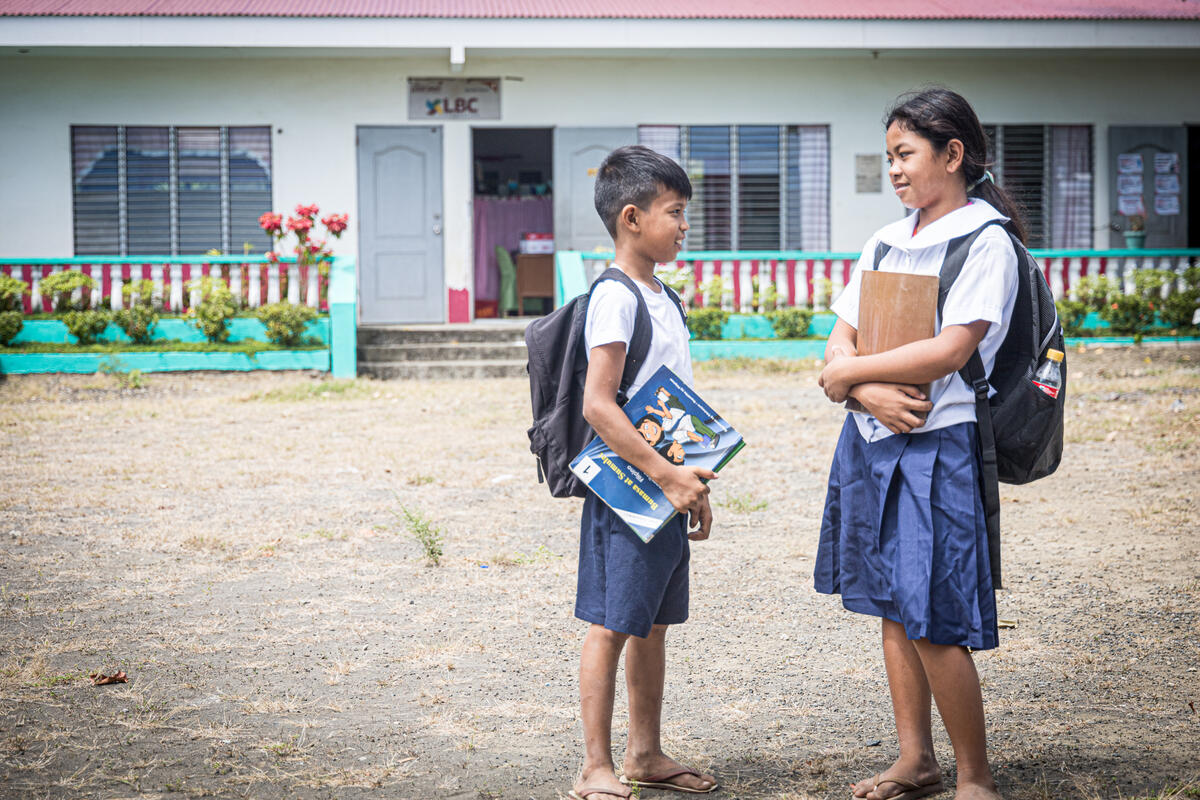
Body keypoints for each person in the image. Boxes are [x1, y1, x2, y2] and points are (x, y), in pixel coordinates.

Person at [814, 88, 1024, 800]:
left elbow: (948, 350)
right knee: (893, 610)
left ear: (953, 153)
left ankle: (975, 777)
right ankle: (916, 759)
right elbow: (841, 330)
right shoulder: (886, 239)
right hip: (872, 443)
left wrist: (845, 377)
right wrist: (859, 385)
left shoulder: (985, 241)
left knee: (934, 614)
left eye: (906, 155)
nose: (896, 170)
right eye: (891, 157)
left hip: (940, 447)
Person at [570, 145, 719, 800]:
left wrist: (695, 485)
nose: (684, 225)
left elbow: (671, 399)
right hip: (631, 490)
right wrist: (666, 476)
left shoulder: (666, 297)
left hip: (668, 487)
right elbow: (598, 404)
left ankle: (645, 752)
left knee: (652, 623)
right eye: (675, 212)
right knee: (612, 624)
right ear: (632, 218)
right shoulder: (616, 296)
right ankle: (594, 766)